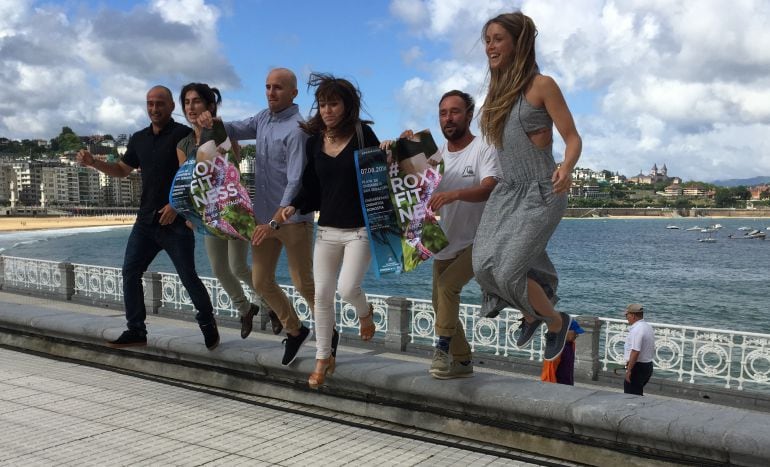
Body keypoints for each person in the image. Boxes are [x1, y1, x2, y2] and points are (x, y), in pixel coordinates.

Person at [472, 11, 582, 361]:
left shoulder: (542, 86)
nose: (490, 46)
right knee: (482, 266)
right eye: (487, 39)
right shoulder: (495, 94)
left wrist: (566, 166)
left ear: (519, 42)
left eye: (498, 38)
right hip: (507, 191)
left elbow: (573, 137)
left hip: (541, 191)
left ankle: (554, 320)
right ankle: (535, 306)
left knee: (507, 269)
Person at [76, 86, 219, 350]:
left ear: (171, 107)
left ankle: (208, 324)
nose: (154, 109)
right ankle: (136, 329)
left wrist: (175, 206)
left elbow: (195, 175)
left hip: (175, 222)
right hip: (145, 222)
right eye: (150, 104)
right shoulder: (139, 138)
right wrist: (94, 163)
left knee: (188, 276)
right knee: (130, 272)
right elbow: (121, 169)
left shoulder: (183, 135)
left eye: (160, 104)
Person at [385, 90, 500, 379]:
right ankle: (462, 362)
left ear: (469, 115)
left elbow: (489, 188)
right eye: (443, 113)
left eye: (455, 111)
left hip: (481, 240)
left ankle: (442, 349)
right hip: (445, 240)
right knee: (439, 302)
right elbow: (410, 188)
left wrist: (454, 194)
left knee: (448, 287)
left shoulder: (484, 147)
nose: (448, 118)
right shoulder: (436, 156)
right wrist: (401, 149)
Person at [278, 73, 379, 389]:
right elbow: (310, 186)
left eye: (333, 104)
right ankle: (324, 357)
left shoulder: (364, 135)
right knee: (321, 296)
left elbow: (382, 174)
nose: (326, 110)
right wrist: (293, 206)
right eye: (322, 104)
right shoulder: (314, 142)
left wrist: (393, 149)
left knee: (348, 289)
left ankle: (364, 311)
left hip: (360, 229)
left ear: (347, 106)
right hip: (327, 231)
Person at [218, 68, 313, 365]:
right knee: (260, 281)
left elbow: (296, 180)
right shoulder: (262, 118)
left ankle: (330, 332)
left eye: (279, 88)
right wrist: (211, 122)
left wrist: (276, 220)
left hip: (292, 219)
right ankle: (295, 331)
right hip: (264, 219)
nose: (271, 92)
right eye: (268, 87)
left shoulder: (299, 128)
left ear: (294, 92)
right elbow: (233, 129)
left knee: (303, 284)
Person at [177, 82, 265, 339]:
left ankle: (271, 306)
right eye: (187, 102)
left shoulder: (223, 132)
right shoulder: (183, 145)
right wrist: (191, 215)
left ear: (209, 105)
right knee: (219, 269)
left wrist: (212, 129)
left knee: (238, 265)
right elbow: (185, 181)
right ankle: (245, 309)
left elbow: (231, 167)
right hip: (208, 214)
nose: (191, 107)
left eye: (196, 101)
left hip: (232, 206)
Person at [623, 304, 655, 395]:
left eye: (627, 315)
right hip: (647, 365)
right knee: (637, 393)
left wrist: (629, 370)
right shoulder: (648, 327)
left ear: (633, 315)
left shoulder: (637, 329)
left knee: (631, 396)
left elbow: (635, 351)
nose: (626, 317)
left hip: (638, 368)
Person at [541, 319, 584, 385]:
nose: (577, 335)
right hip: (556, 387)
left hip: (567, 384)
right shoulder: (556, 349)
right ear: (566, 331)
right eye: (575, 332)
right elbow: (549, 373)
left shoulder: (571, 344)